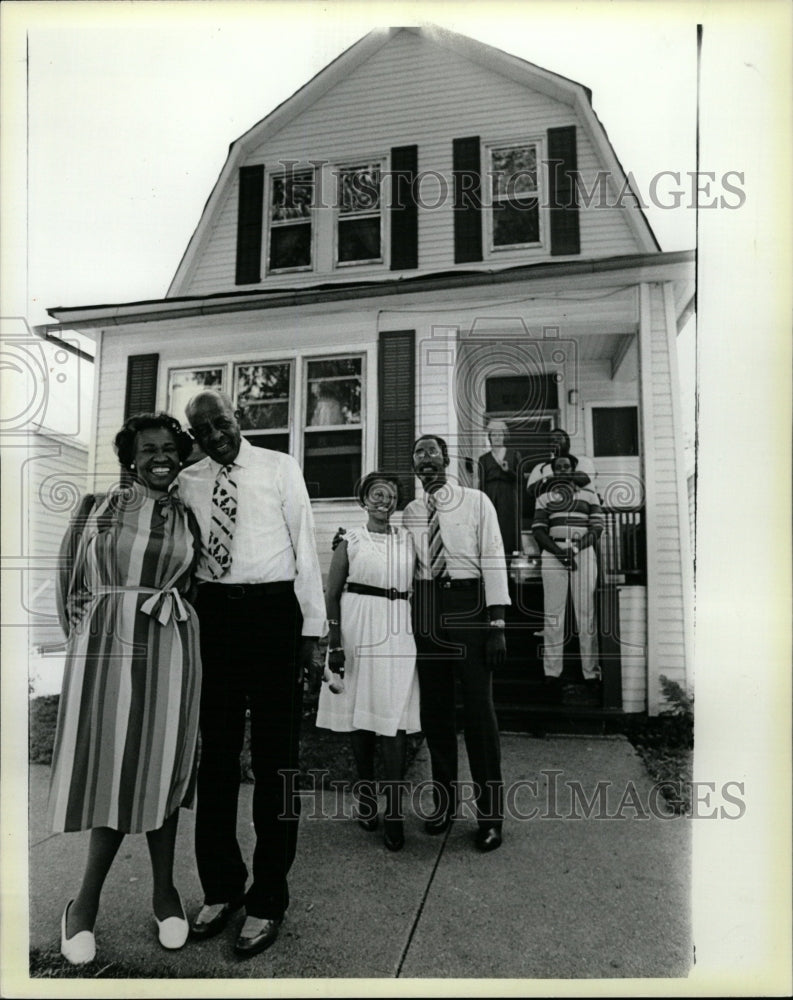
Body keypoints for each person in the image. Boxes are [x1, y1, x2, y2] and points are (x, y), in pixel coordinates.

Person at [49, 412, 201, 965]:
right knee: (112, 768)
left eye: (169, 448)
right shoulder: (96, 508)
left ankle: (165, 894)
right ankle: (82, 906)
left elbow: (196, 579)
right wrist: (87, 645)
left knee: (161, 765)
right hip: (106, 649)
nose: (160, 456)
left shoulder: (190, 512)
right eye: (148, 449)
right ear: (130, 458)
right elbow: (68, 586)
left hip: (171, 646)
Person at [178, 389, 325, 958]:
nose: (216, 436)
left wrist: (313, 631)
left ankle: (268, 898)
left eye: (222, 423)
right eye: (203, 431)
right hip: (214, 616)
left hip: (272, 614)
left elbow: (307, 549)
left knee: (274, 759)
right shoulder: (190, 481)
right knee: (214, 758)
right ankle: (221, 887)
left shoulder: (279, 467)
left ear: (238, 416)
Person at [403, 434, 510, 853]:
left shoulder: (476, 500)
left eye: (432, 452)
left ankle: (490, 818)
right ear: (414, 466)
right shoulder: (410, 512)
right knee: (436, 712)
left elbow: (494, 554)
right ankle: (443, 806)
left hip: (469, 604)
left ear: (446, 460)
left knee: (480, 714)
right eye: (419, 453)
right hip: (427, 607)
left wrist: (497, 620)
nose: (426, 459)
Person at [316, 472, 420, 852]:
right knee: (361, 714)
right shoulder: (350, 539)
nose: (383, 501)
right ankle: (365, 794)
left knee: (394, 718)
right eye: (376, 495)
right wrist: (336, 642)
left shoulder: (409, 540)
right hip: (357, 626)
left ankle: (394, 810)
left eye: (390, 496)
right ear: (364, 500)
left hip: (397, 628)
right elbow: (331, 594)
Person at [531, 453, 605, 688]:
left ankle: (590, 672)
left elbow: (596, 529)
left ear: (574, 470)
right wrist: (560, 552)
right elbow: (539, 530)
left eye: (567, 466)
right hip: (553, 554)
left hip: (582, 553)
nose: (562, 470)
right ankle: (552, 671)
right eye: (558, 467)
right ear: (554, 472)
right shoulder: (544, 497)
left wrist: (574, 549)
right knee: (553, 614)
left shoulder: (589, 495)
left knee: (586, 613)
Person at [477, 418, 522, 555]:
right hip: (490, 495)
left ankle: (510, 563)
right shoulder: (483, 459)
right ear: (490, 437)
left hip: (508, 495)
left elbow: (520, 480)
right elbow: (482, 482)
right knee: (491, 527)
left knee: (507, 527)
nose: (496, 438)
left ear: (504, 436)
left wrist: (508, 471)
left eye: (499, 434)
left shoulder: (514, 454)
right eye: (493, 435)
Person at [526, 427, 596, 508]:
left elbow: (583, 478)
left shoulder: (583, 461)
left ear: (567, 442)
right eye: (552, 440)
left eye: (559, 438)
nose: (555, 441)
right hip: (551, 510)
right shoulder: (540, 467)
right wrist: (570, 480)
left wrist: (548, 480)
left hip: (581, 508)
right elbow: (531, 490)